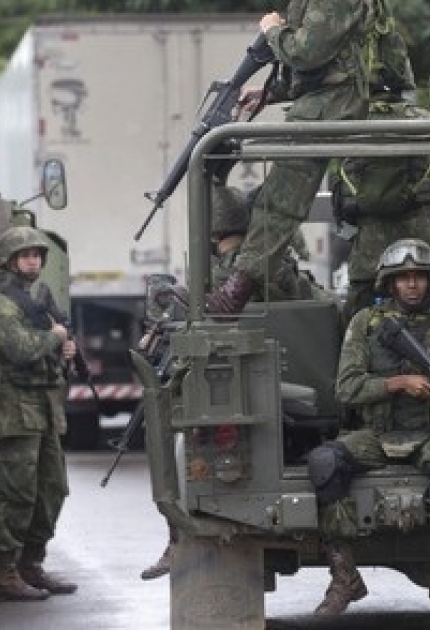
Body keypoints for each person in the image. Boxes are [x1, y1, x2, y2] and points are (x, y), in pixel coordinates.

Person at [139, 184, 329, 580]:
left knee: (181, 421)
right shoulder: (288, 272)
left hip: (247, 394)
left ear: (213, 232)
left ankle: (178, 539)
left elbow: (214, 313)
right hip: (312, 398)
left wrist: (176, 296)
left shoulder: (233, 279)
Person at [204, 0, 374, 315]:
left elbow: (308, 53)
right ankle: (247, 282)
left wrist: (274, 30)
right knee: (270, 199)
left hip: (336, 108)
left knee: (278, 200)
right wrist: (267, 94)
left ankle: (237, 289)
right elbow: (314, 69)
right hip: (325, 103)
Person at [306, 238, 430, 616]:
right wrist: (398, 384)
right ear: (390, 283)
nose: (412, 284)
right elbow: (347, 388)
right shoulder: (365, 325)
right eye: (403, 278)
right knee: (325, 463)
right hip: (376, 436)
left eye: (419, 277)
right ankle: (344, 577)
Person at [0, 226, 78, 601]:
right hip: (13, 405)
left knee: (53, 488)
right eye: (25, 255)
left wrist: (66, 349)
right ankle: (6, 573)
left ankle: (32, 564)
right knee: (17, 491)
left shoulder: (39, 298)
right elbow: (20, 348)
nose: (33, 260)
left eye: (37, 255)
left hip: (43, 403)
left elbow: (52, 339)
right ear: (10, 260)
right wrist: (56, 339)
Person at [336, 97, 430, 321]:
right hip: (420, 234)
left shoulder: (346, 117)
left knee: (358, 322)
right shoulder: (421, 119)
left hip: (368, 245)